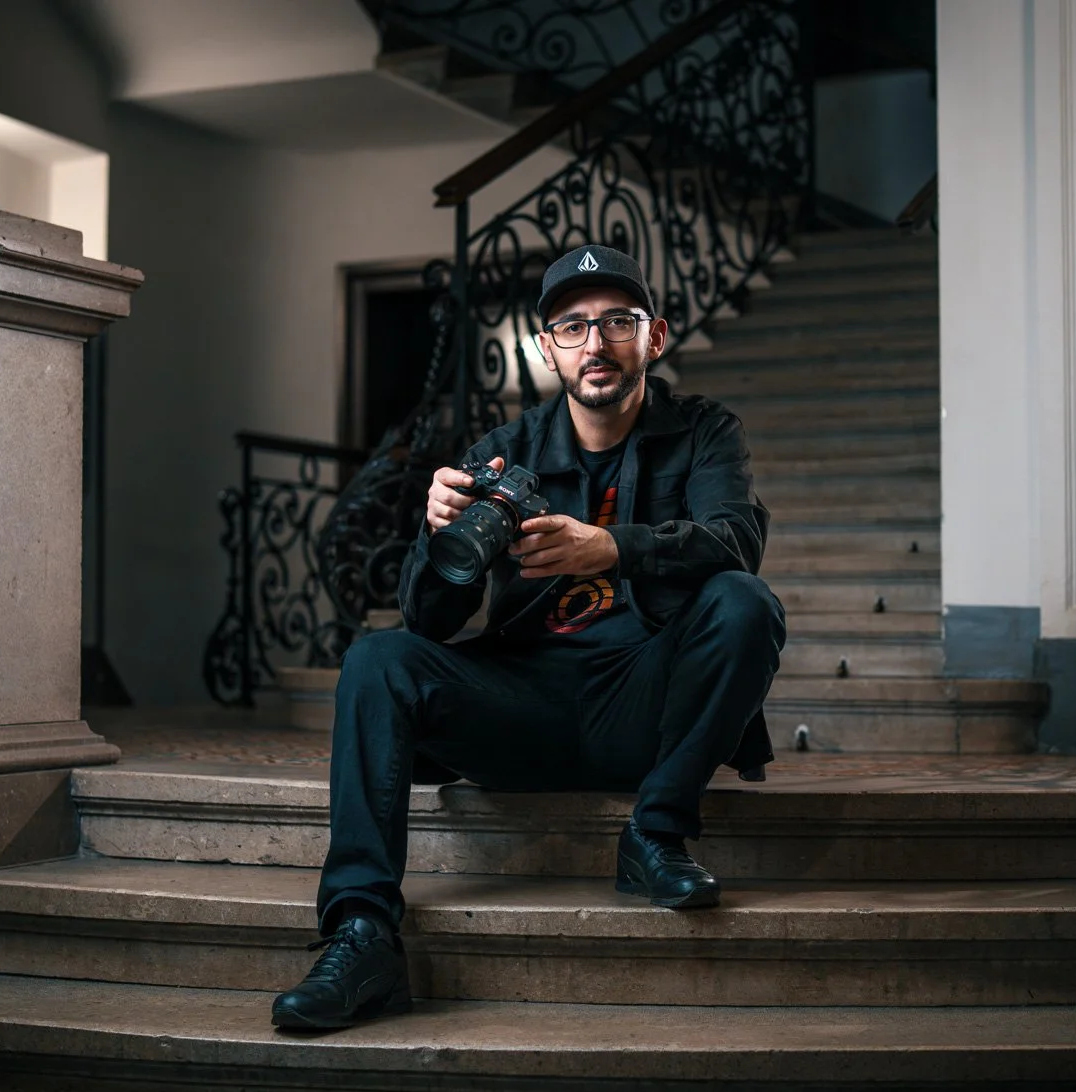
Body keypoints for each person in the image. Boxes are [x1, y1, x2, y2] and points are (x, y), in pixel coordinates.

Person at [271, 244, 785, 1031]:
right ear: (546, 348)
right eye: (572, 326)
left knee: (747, 601)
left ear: (654, 336)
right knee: (379, 658)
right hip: (522, 703)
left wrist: (611, 546)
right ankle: (362, 932)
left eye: (618, 321)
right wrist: (438, 535)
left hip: (643, 703)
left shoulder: (705, 431)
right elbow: (431, 622)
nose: (595, 343)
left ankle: (654, 835)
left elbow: (735, 542)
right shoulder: (501, 453)